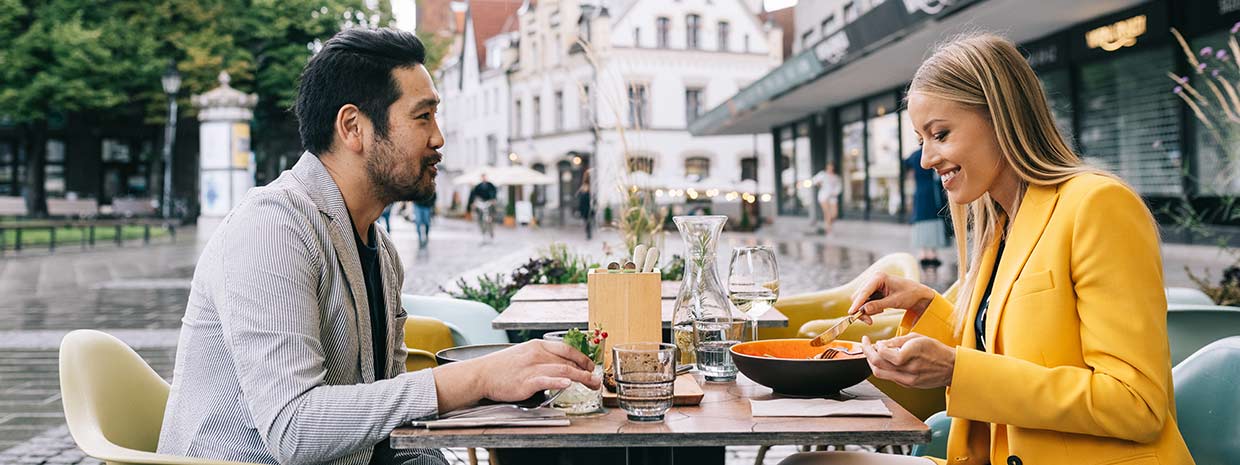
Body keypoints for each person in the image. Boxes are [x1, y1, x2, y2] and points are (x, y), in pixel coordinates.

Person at [158, 28, 599, 465]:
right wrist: (478, 377)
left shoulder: (380, 250)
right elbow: (294, 428)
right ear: (354, 127)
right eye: (422, 116)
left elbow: (386, 433)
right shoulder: (272, 227)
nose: (438, 138)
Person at [780, 33, 1193, 465]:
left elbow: (1136, 405)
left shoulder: (1097, 206)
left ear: (1002, 118)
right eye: (922, 139)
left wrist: (957, 370)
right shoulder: (1000, 223)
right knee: (808, 463)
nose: (926, 159)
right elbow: (1002, 349)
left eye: (940, 134)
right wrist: (925, 305)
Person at [904, 147, 949, 268]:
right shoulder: (932, 152)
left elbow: (905, 164)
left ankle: (923, 253)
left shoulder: (914, 155)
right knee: (932, 218)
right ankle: (932, 253)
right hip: (932, 192)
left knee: (920, 219)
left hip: (919, 192)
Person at [812, 164, 842, 235]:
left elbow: (839, 187)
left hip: (832, 197)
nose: (830, 168)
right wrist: (818, 184)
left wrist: (835, 192)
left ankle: (828, 224)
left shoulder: (836, 177)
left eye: (831, 167)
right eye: (829, 167)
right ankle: (828, 229)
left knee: (834, 214)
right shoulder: (822, 174)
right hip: (824, 196)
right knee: (827, 212)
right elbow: (814, 181)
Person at [467, 174, 498, 240]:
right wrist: (473, 203)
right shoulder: (478, 186)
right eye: (483, 177)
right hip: (481, 204)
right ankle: (483, 232)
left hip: (489, 203)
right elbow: (474, 195)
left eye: (485, 177)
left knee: (490, 218)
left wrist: (493, 199)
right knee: (480, 218)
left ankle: (491, 232)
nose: (484, 178)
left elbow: (494, 193)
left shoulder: (490, 185)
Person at [576, 169, 594, 240]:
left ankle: (589, 234)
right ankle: (588, 234)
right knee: (586, 223)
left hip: (588, 210)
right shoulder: (583, 194)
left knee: (588, 223)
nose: (585, 188)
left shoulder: (587, 194)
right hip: (584, 210)